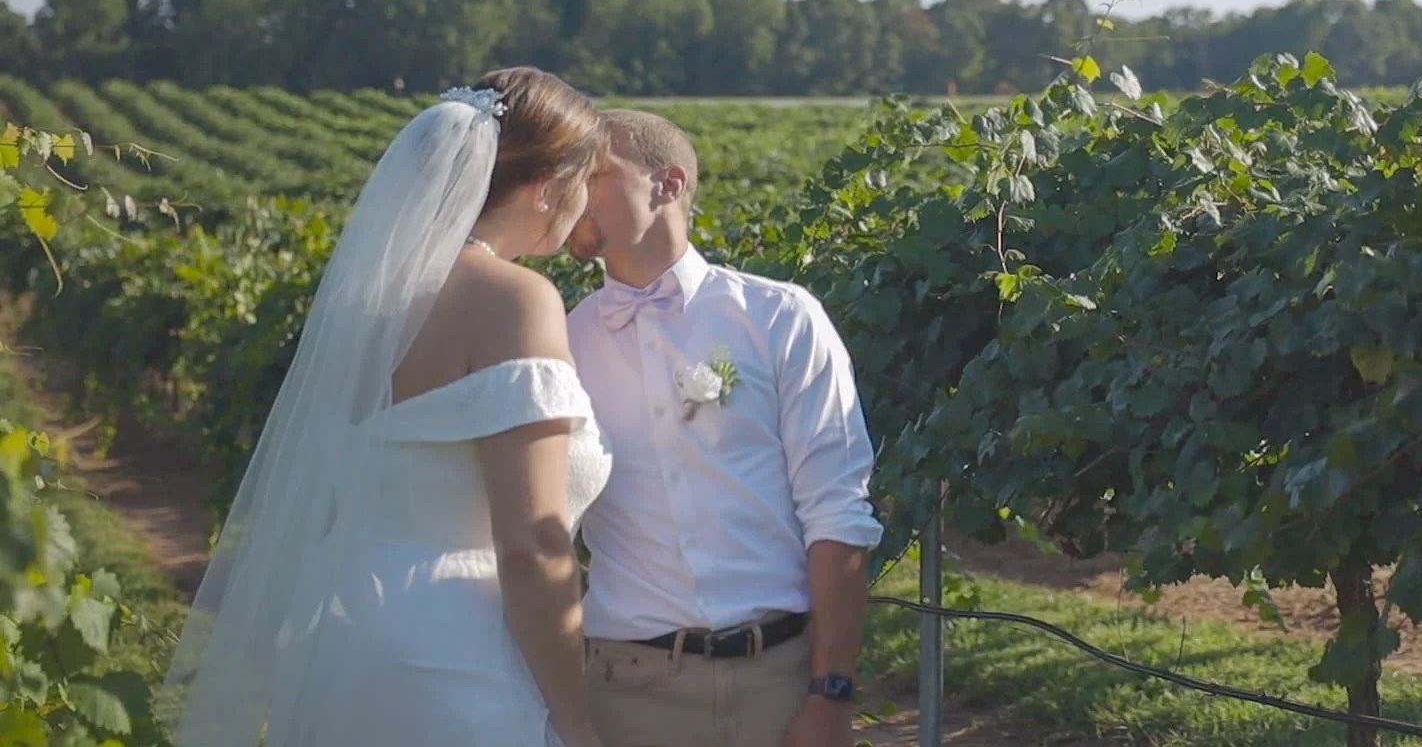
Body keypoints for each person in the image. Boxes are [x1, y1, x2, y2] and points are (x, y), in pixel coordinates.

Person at [162, 67, 615, 747]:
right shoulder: (516, 301)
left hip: (341, 630)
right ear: (547, 189)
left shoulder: (363, 305)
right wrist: (579, 716)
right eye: (583, 184)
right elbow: (529, 544)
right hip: (460, 650)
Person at [565, 109, 884, 747]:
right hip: (624, 692)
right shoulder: (561, 339)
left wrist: (831, 693)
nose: (571, 191)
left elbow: (837, 513)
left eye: (593, 173)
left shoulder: (780, 318)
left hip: (783, 685)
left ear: (669, 184)